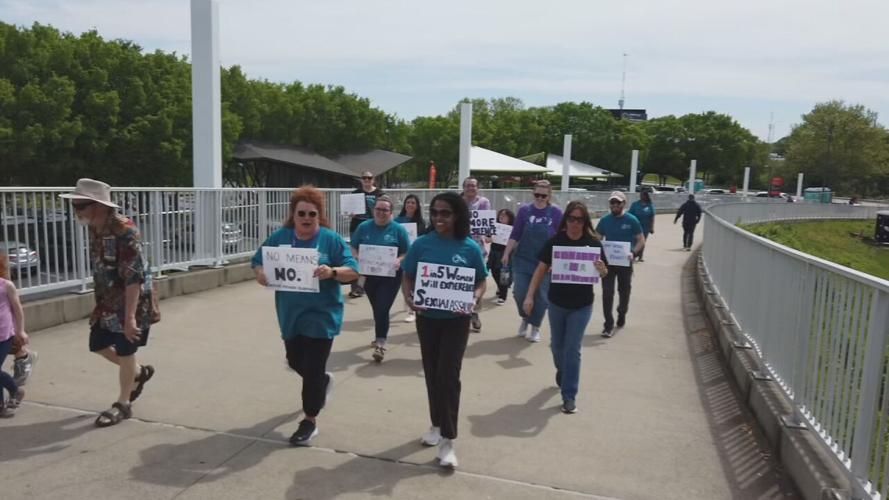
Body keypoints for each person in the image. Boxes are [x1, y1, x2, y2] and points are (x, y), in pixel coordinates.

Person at [252, 186, 359, 445]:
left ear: (319, 215)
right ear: (293, 214)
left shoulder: (330, 240)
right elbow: (258, 261)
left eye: (312, 213)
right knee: (295, 360)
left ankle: (309, 420)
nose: (307, 218)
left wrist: (332, 272)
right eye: (302, 213)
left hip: (322, 314)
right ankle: (322, 381)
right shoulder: (280, 237)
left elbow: (353, 271)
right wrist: (261, 274)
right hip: (290, 314)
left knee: (311, 368)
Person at [60, 179, 156, 427]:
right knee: (98, 344)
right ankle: (138, 373)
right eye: (75, 205)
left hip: (130, 301)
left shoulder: (125, 231)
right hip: (107, 300)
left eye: (81, 205)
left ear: (98, 206)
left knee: (126, 351)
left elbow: (133, 277)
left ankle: (123, 404)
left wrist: (131, 318)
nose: (77, 211)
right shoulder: (95, 227)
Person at [401, 192, 488, 469]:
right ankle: (437, 423)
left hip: (456, 320)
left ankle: (448, 440)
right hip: (428, 317)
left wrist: (474, 299)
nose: (439, 218)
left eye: (446, 213)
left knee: (449, 376)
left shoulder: (470, 248)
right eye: (436, 212)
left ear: (458, 215)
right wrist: (408, 297)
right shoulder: (422, 244)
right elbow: (408, 275)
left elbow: (481, 281)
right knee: (432, 373)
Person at [522, 201, 608, 414]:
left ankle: (569, 395)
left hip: (582, 305)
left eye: (579, 220)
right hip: (557, 303)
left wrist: (602, 269)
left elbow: (603, 273)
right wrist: (530, 296)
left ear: (585, 221)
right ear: (566, 220)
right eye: (571, 219)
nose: (575, 224)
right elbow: (540, 269)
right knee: (557, 347)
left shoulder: (594, 244)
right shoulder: (555, 242)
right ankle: (563, 371)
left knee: (572, 350)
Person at [501, 180, 563, 343]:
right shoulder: (524, 211)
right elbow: (515, 234)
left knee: (541, 297)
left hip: (545, 262)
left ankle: (535, 326)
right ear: (533, 193)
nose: (540, 198)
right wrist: (507, 252)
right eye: (537, 195)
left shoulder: (556, 212)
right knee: (519, 292)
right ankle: (525, 318)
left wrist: (557, 261)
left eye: (544, 195)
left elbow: (562, 238)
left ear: (549, 196)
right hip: (523, 259)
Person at [351, 196, 411, 363]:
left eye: (385, 210)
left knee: (382, 307)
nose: (381, 213)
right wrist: (357, 258)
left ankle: (381, 342)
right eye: (378, 209)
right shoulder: (363, 227)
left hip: (390, 277)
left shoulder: (398, 229)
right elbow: (353, 246)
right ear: (373, 210)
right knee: (377, 307)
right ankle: (380, 335)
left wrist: (399, 260)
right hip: (369, 275)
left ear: (391, 212)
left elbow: (407, 251)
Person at [596, 191, 645, 338]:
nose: (615, 205)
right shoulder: (605, 220)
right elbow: (597, 238)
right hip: (608, 263)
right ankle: (608, 325)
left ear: (624, 204)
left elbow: (641, 240)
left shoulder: (632, 220)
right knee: (607, 293)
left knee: (624, 292)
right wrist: (596, 250)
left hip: (625, 262)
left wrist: (633, 253)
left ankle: (621, 312)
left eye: (618, 202)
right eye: (613, 202)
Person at [461, 177, 492, 333]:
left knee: (479, 279)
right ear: (463, 187)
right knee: (460, 279)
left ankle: (475, 312)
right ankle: (461, 311)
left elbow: (487, 225)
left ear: (478, 188)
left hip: (478, 246)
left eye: (473, 185)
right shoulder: (457, 201)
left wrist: (489, 234)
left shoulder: (484, 202)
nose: (471, 188)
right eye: (468, 185)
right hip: (459, 245)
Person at [348, 171, 384, 298]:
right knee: (355, 257)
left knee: (371, 257)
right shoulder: (355, 194)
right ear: (361, 180)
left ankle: (370, 285)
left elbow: (386, 209)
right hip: (357, 228)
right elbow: (348, 211)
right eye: (364, 178)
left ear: (373, 179)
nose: (367, 180)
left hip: (373, 228)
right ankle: (356, 288)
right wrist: (349, 213)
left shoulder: (380, 193)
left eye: (369, 178)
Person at [0, 252, 28, 417]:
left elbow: (17, 309)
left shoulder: (6, 285)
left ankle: (15, 390)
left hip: (4, 335)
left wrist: (21, 330)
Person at [395, 194, 427, 323]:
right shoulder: (397, 220)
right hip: (401, 256)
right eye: (408, 202)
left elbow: (421, 239)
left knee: (412, 284)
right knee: (404, 284)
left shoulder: (421, 222)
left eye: (413, 203)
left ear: (417, 206)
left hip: (415, 255)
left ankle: (411, 310)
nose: (410, 205)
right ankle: (408, 302)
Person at [487, 208, 515, 305]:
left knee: (504, 275)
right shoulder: (494, 227)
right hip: (494, 252)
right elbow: (487, 238)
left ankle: (503, 296)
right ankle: (501, 287)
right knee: (494, 272)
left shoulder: (513, 229)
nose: (501, 217)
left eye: (504, 215)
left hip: (506, 254)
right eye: (500, 215)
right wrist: (489, 239)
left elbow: (516, 242)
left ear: (510, 218)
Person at [628, 191, 655, 262]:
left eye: (643, 195)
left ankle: (640, 256)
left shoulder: (649, 205)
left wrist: (652, 227)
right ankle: (633, 255)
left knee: (642, 242)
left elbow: (652, 217)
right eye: (640, 195)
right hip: (635, 226)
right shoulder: (635, 204)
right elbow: (629, 215)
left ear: (646, 196)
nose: (641, 196)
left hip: (646, 227)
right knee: (634, 241)